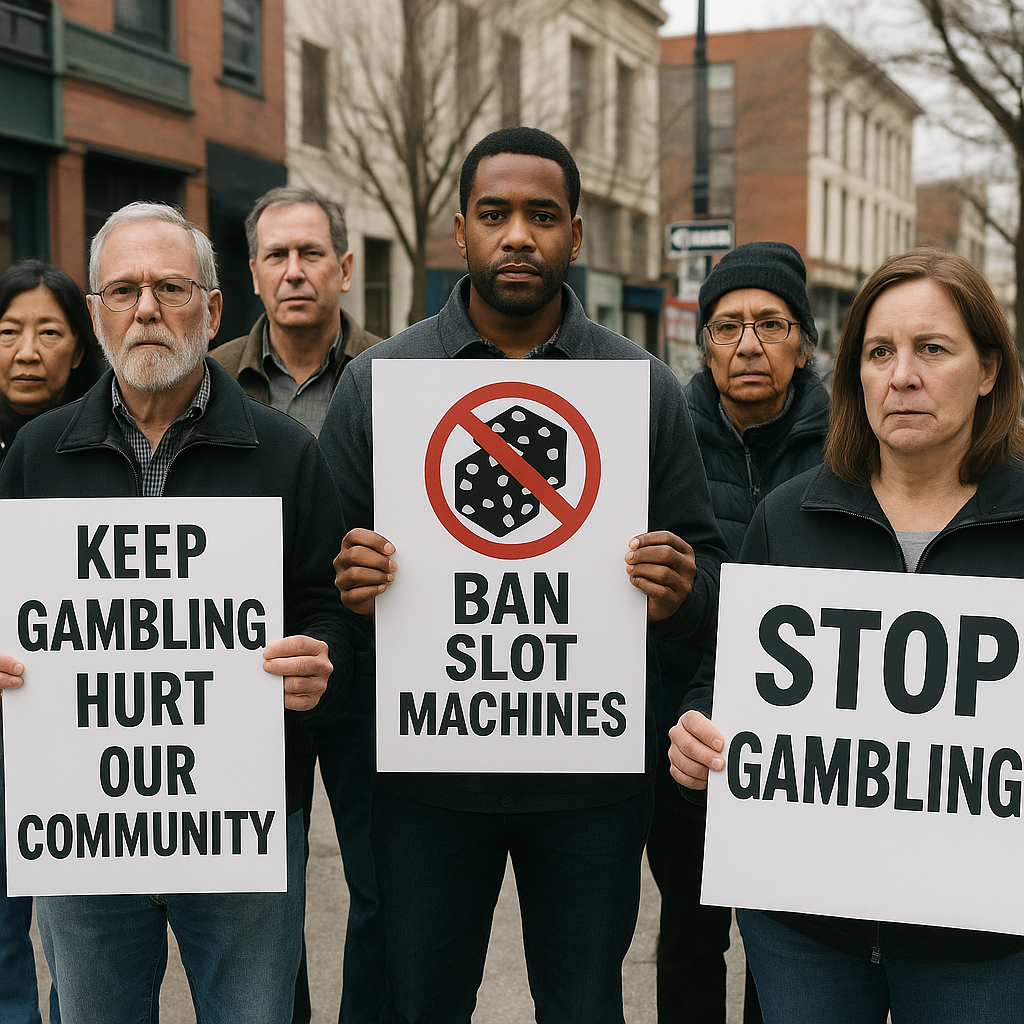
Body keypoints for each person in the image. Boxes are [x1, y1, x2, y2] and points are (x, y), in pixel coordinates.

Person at [318, 126, 728, 1023]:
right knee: (420, 1002)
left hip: (593, 784)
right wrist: (353, 585)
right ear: (459, 229)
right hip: (425, 782)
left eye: (541, 217)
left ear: (575, 236)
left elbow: (710, 591)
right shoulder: (378, 384)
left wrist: (679, 584)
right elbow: (328, 592)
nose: (517, 236)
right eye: (495, 214)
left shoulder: (642, 387)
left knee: (585, 1006)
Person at [0, 202, 365, 1024]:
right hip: (81, 821)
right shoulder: (36, 455)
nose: (147, 310)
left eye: (171, 286)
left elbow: (328, 607)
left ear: (214, 305)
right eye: (122, 290)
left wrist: (322, 661)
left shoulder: (283, 452)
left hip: (241, 818)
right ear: (94, 314)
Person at [669, 247, 1024, 1023]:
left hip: (983, 942)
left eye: (932, 349)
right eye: (878, 352)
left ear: (990, 369)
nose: (902, 376)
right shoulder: (788, 517)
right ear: (853, 373)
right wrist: (697, 729)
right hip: (807, 935)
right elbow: (720, 676)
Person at [211, 186, 384, 1024]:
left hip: (371, 664)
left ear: (344, 268)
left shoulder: (402, 376)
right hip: (240, 677)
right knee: (262, 894)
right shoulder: (203, 380)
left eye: (311, 254)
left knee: (381, 888)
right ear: (251, 273)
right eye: (276, 256)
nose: (294, 272)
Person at [648, 241, 828, 1024]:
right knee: (688, 931)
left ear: (803, 342)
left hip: (799, 737)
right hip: (681, 726)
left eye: (770, 323)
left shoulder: (854, 443)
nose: (748, 344)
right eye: (726, 327)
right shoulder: (660, 436)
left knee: (782, 938)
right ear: (703, 342)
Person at [0, 261, 103, 1024]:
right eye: (7, 332)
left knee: (81, 931)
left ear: (79, 346)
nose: (25, 350)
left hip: (81, 724)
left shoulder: (105, 446)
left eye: (47, 332)